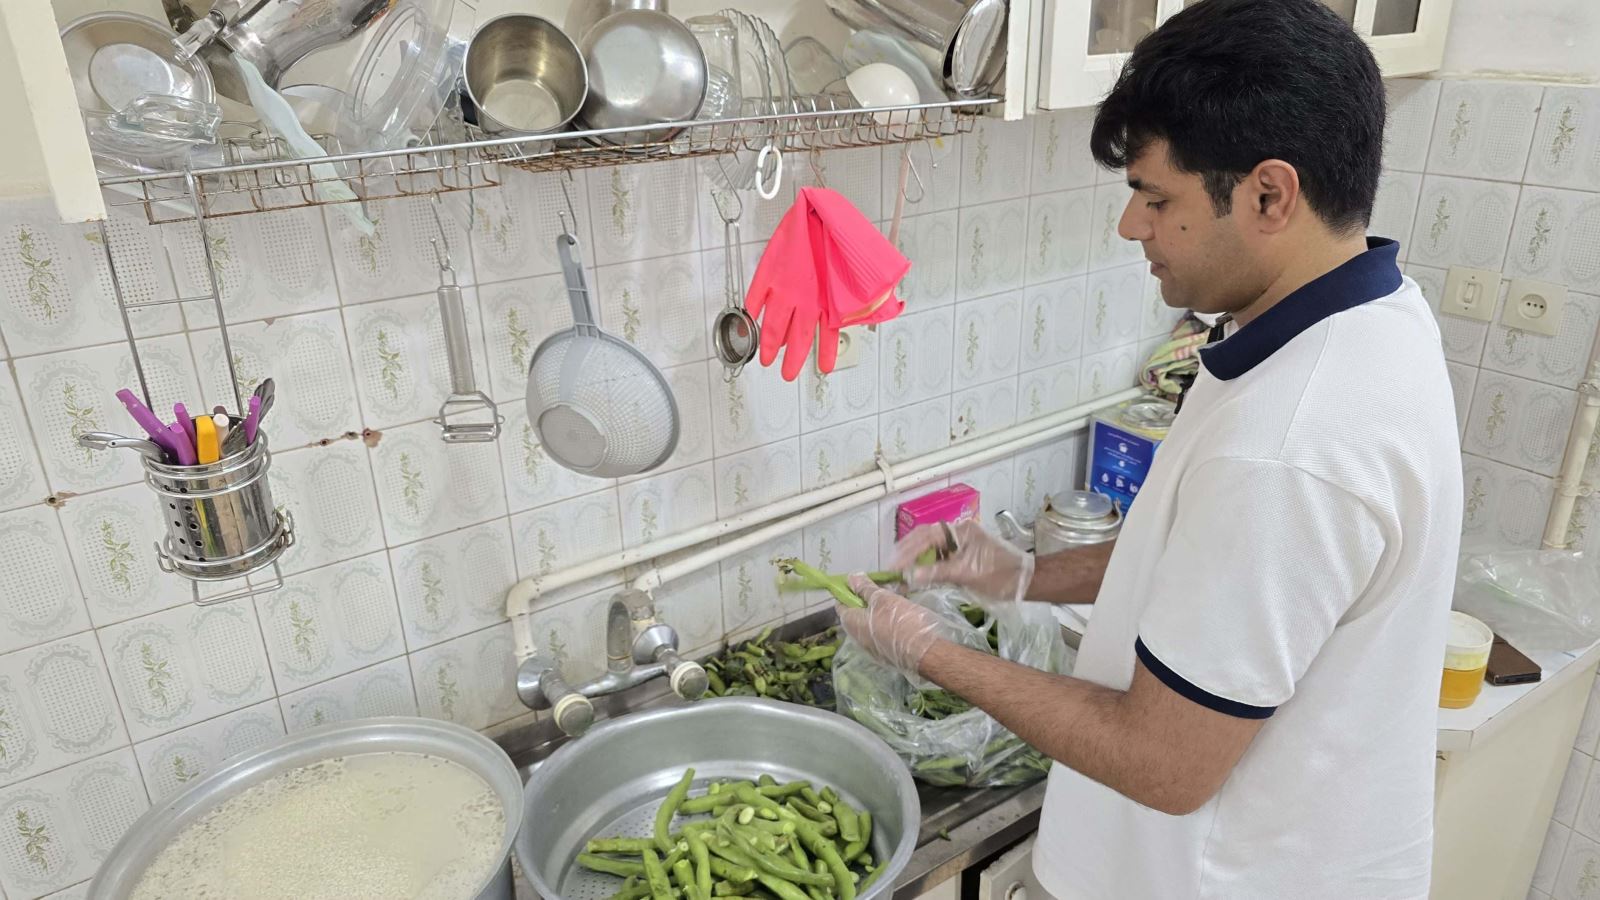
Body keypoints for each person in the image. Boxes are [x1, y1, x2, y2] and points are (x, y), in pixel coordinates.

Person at [836, 1, 1463, 897]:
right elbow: (1200, 556)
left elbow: (1163, 762)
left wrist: (928, 652)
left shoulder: (1288, 445)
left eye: (1157, 198)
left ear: (1270, 194)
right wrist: (1023, 575)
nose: (1131, 227)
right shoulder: (1367, 315)